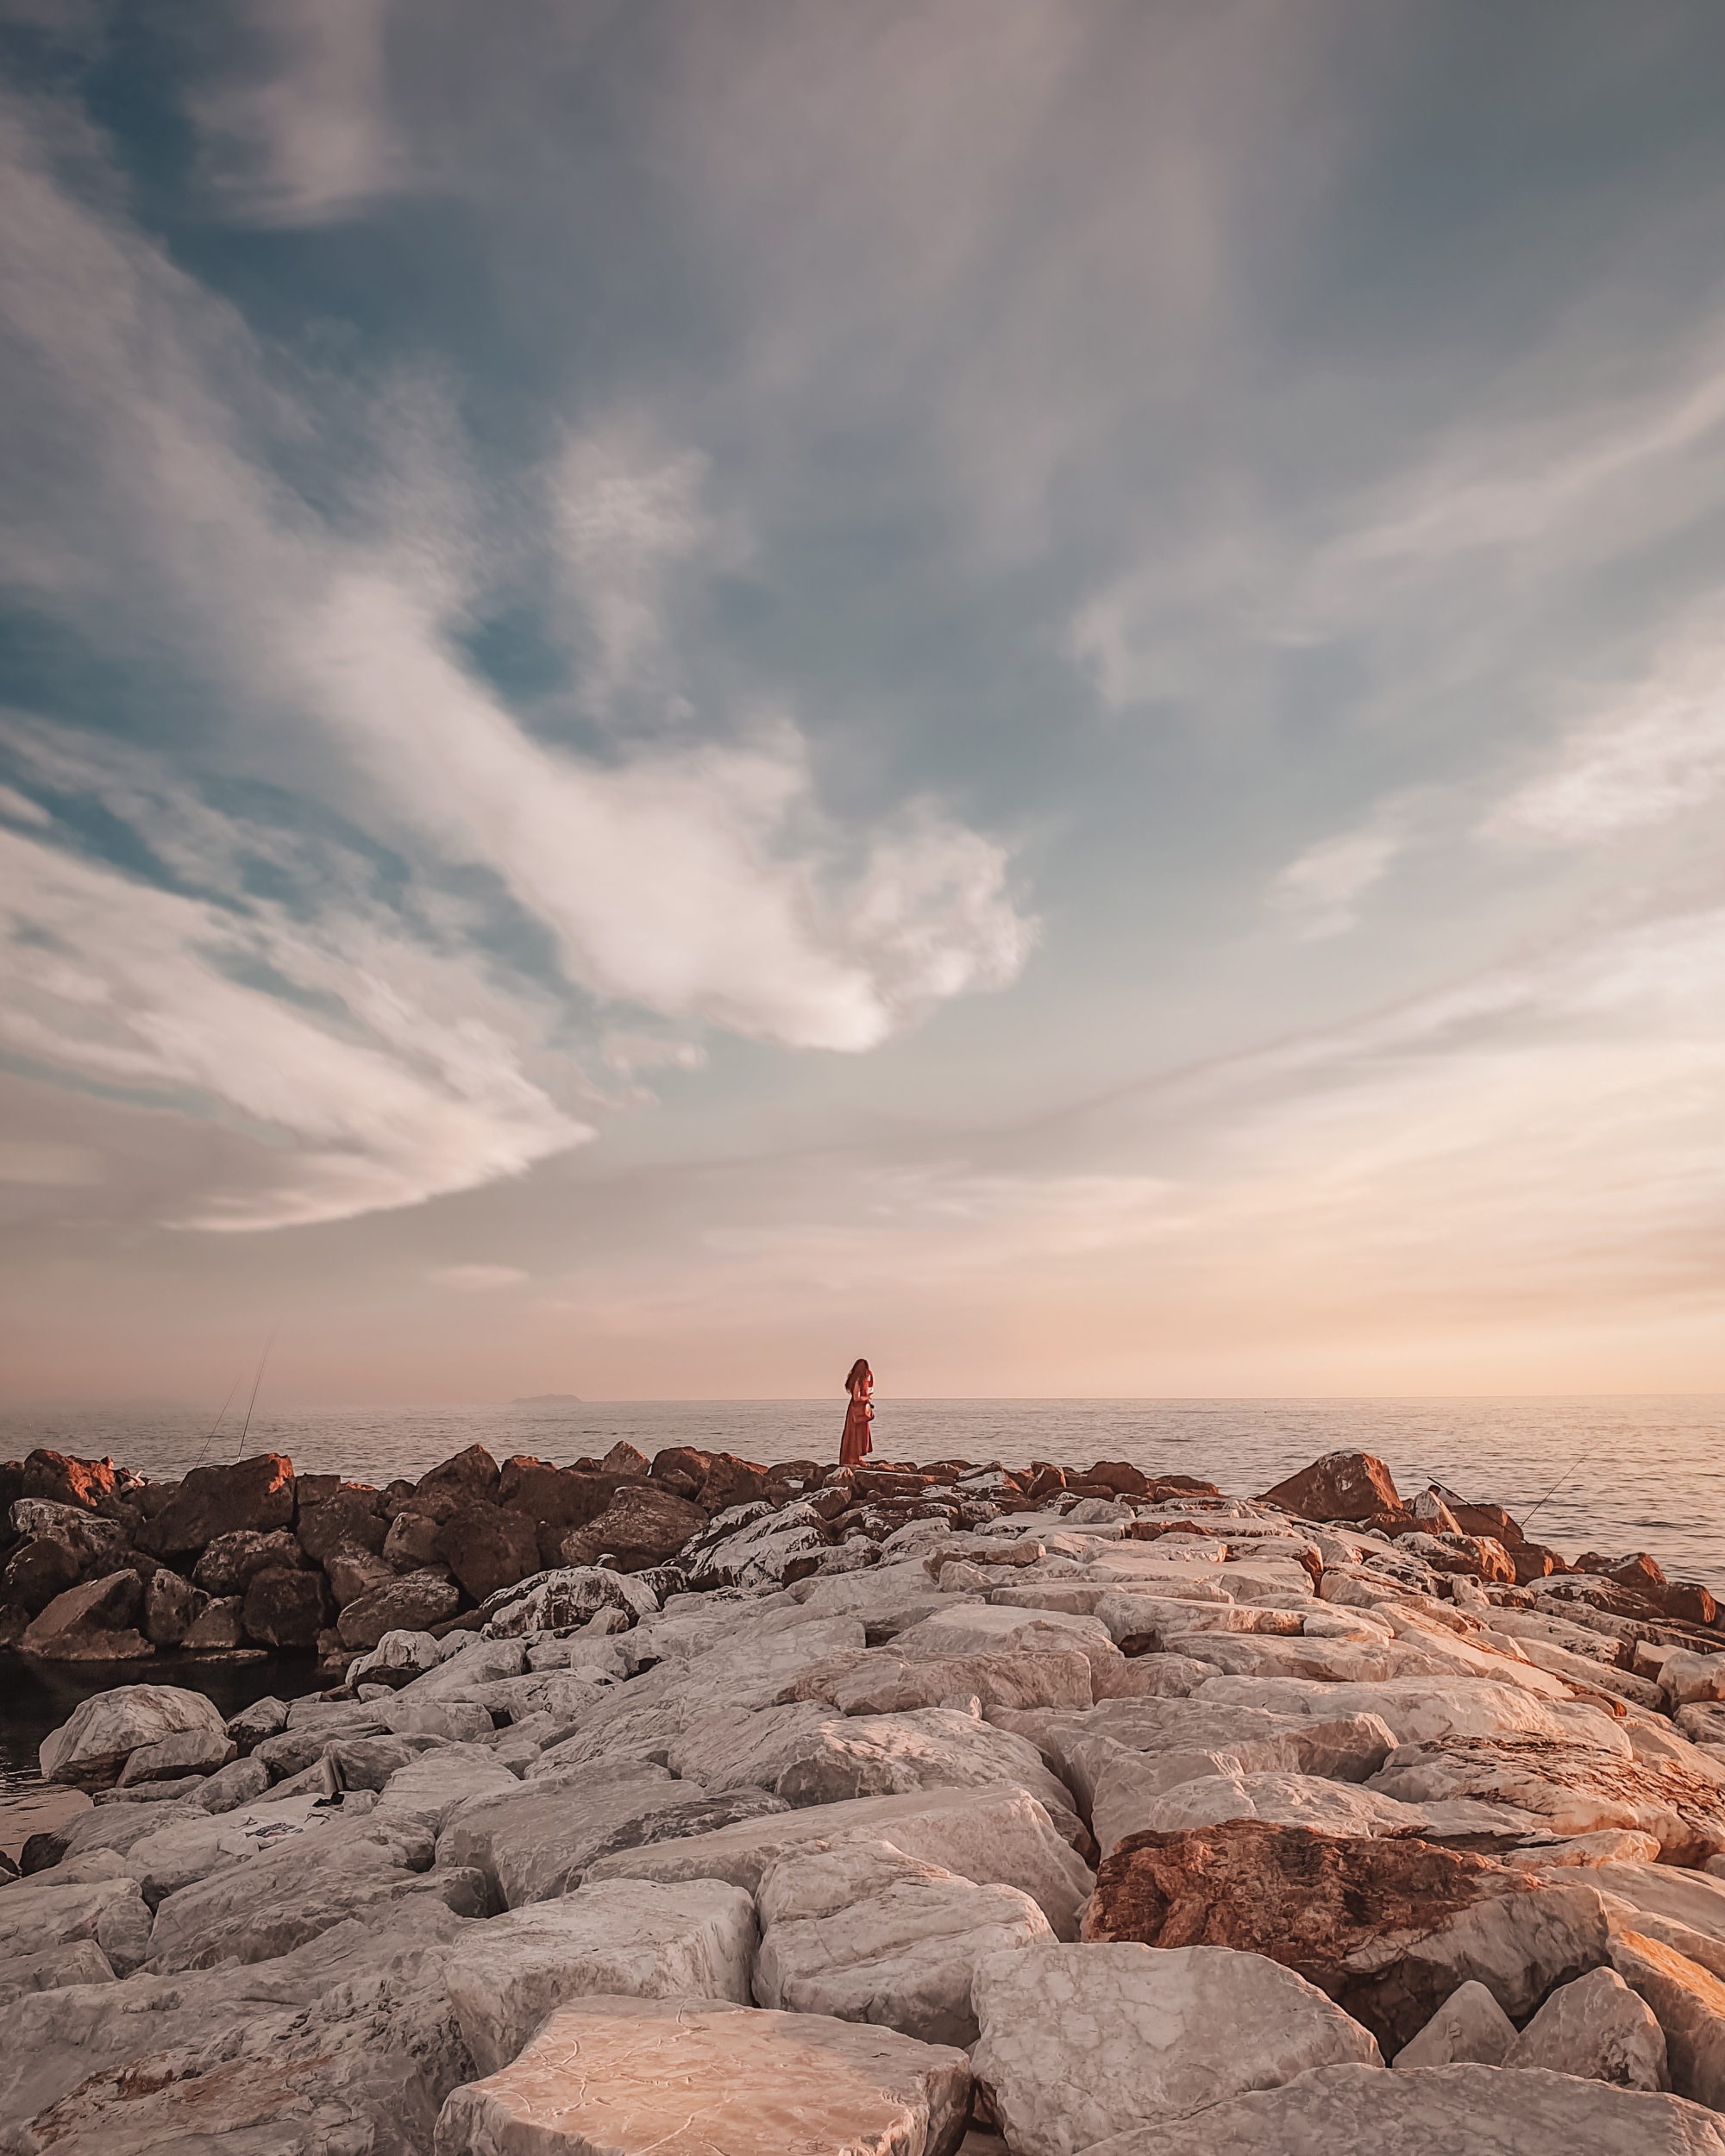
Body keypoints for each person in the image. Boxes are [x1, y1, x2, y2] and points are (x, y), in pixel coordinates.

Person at [840, 1357, 875, 1464]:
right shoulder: (858, 1382)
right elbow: (856, 1398)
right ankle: (855, 1459)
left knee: (859, 1434)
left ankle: (857, 1457)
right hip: (857, 1412)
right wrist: (867, 1398)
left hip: (858, 1411)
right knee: (855, 1434)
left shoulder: (861, 1380)